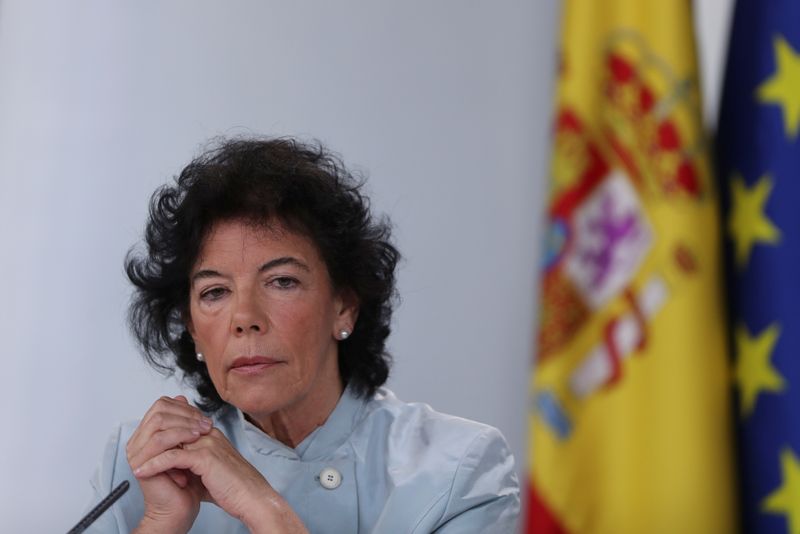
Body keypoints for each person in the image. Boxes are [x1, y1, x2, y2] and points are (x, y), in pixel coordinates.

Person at [85, 137, 520, 533]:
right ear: (194, 330)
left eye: (282, 282)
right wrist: (162, 522)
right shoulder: (144, 462)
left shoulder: (457, 470)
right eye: (215, 292)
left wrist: (264, 508)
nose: (245, 318)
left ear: (344, 305)